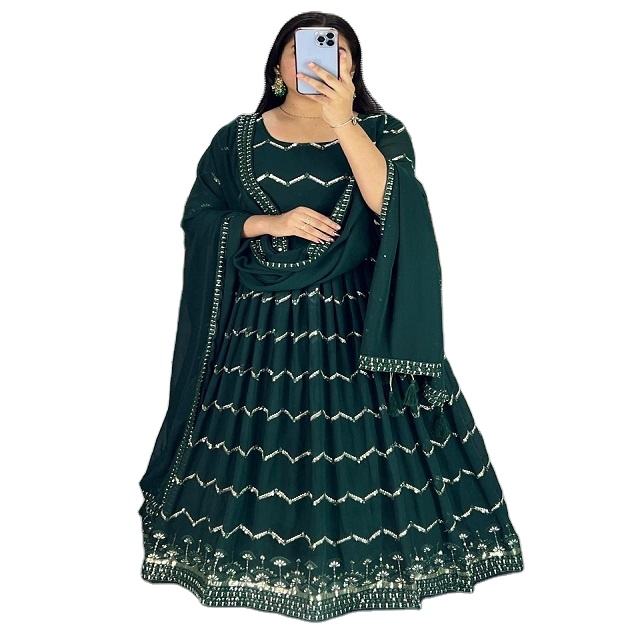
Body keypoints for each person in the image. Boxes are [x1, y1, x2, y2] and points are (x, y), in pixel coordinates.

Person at [137, 11, 524, 622]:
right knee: (259, 457)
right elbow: (201, 218)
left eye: (336, 51)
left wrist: (343, 122)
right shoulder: (236, 139)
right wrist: (268, 222)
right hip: (257, 333)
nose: (319, 59)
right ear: (277, 64)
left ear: (353, 67)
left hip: (357, 326)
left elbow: (393, 204)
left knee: (362, 458)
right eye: (304, 49)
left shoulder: (381, 131)